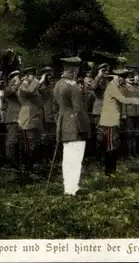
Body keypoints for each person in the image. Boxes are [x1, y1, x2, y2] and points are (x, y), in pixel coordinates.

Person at [53, 57, 91, 196]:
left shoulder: (58, 84)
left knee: (67, 156)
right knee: (75, 157)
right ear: (74, 69)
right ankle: (73, 187)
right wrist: (85, 127)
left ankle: (68, 187)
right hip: (76, 124)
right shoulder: (73, 85)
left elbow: (56, 106)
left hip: (64, 122)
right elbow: (79, 109)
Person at [99, 69, 139, 177]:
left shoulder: (117, 86)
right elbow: (123, 100)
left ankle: (112, 170)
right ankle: (109, 172)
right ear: (118, 77)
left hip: (113, 120)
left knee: (113, 145)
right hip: (109, 121)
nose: (123, 81)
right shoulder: (112, 86)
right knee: (110, 146)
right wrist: (137, 101)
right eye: (123, 78)